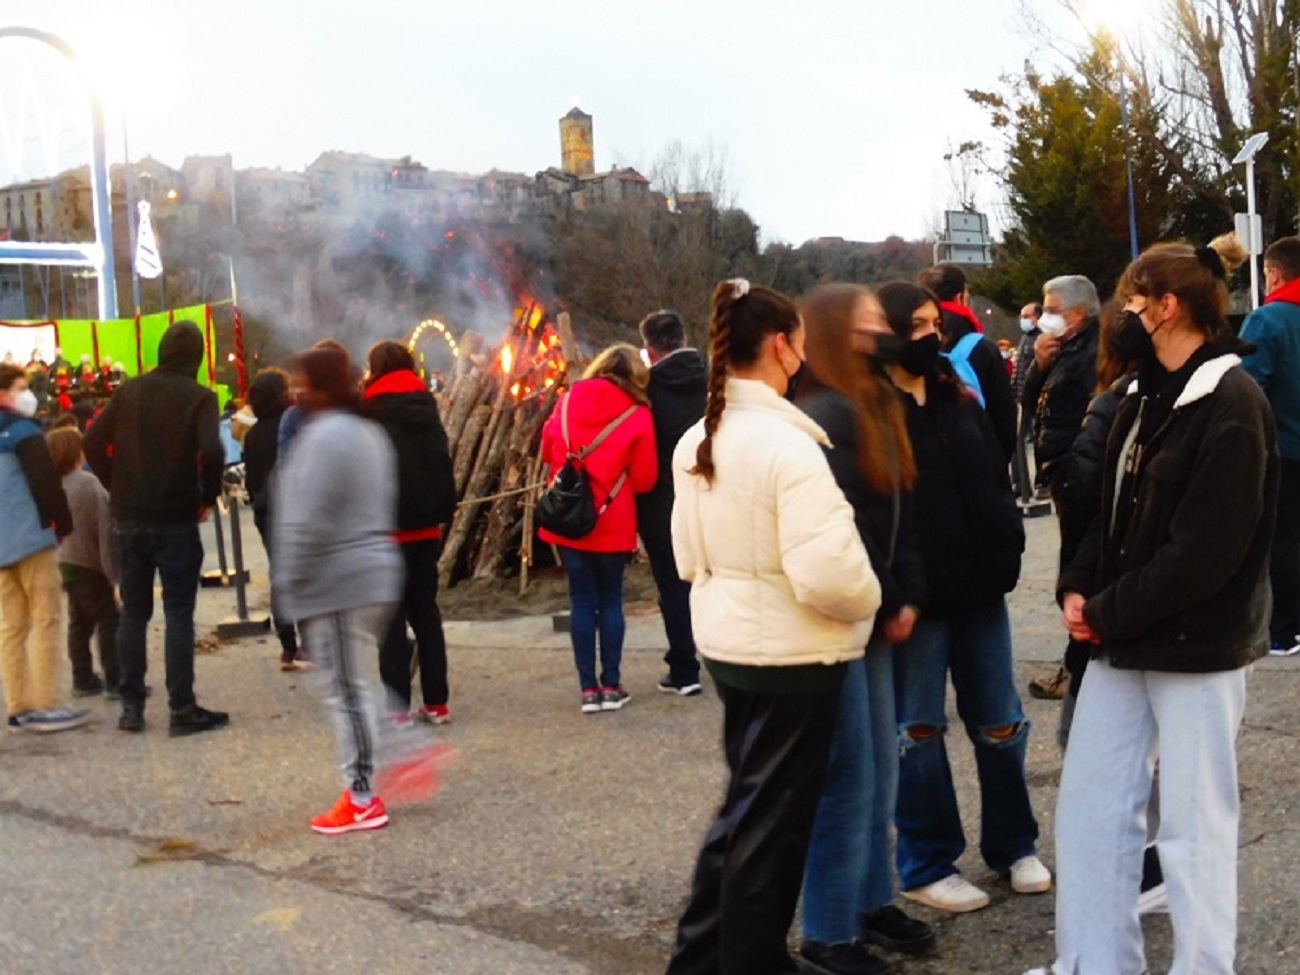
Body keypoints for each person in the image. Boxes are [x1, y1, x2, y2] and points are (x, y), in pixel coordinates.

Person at [1027, 234, 1274, 975]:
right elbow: (1104, 514)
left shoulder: (1233, 402)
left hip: (1198, 645)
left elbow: (1205, 551)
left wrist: (1104, 611)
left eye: (1132, 301)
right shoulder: (1137, 394)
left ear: (1167, 307)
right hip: (1122, 637)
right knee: (1092, 808)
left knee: (1196, 829)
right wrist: (1078, 586)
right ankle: (1093, 961)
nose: (1120, 315)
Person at [666, 279, 881, 975]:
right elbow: (829, 573)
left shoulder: (700, 438)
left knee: (744, 812)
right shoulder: (790, 447)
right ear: (782, 345)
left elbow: (685, 553)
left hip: (730, 646)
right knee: (773, 830)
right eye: (800, 344)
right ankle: (749, 960)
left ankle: (701, 957)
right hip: (793, 657)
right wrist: (870, 598)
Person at [875, 281, 1047, 914]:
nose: (930, 336)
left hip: (979, 590)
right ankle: (926, 863)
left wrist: (1006, 545)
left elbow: (994, 472)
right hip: (915, 603)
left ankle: (1014, 845)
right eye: (916, 325)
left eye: (933, 324)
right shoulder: (869, 411)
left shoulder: (954, 391)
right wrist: (894, 593)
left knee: (1001, 723)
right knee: (918, 732)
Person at [795, 284, 933, 975]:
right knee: (848, 774)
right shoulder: (823, 415)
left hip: (874, 612)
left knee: (880, 763)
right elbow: (841, 528)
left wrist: (907, 594)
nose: (884, 330)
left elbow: (898, 512)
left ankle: (871, 899)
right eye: (869, 322)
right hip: (835, 618)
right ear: (834, 333)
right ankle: (827, 930)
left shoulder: (875, 401)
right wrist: (889, 599)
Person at [273, 346, 404, 835]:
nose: (295, 390)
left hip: (339, 579)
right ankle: (403, 750)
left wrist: (290, 580)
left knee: (346, 690)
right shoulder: (368, 431)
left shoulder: (326, 437)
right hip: (365, 571)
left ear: (319, 386)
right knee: (351, 684)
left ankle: (363, 796)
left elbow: (306, 519)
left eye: (301, 381)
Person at [84, 321, 228, 736]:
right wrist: (206, 495)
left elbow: (92, 441)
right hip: (176, 517)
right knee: (179, 612)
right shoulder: (200, 397)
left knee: (134, 610)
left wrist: (116, 485)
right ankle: (181, 707)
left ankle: (131, 706)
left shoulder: (129, 391)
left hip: (129, 516)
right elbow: (212, 449)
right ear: (197, 358)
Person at [539, 344, 657, 713]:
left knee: (581, 600)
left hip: (570, 518)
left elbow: (547, 449)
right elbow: (645, 479)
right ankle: (611, 684)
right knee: (610, 601)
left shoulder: (567, 401)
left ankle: (587, 689)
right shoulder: (638, 413)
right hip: (613, 518)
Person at [362, 340, 457, 724]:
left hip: (385, 529)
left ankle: (397, 706)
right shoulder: (426, 406)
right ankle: (437, 702)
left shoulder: (369, 411)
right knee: (426, 614)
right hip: (425, 527)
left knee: (391, 620)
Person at [1021, 275, 1102, 701]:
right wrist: (1039, 365)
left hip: (1081, 474)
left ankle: (1078, 667)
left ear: (1080, 313)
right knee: (1075, 565)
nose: (1044, 319)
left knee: (1079, 570)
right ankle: (1080, 664)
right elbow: (1030, 402)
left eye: (1053, 310)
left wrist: (1074, 468)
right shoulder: (1060, 348)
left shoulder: (1096, 350)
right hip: (1064, 473)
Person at [0, 363, 88, 733]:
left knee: (11, 627)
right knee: (47, 618)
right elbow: (46, 482)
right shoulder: (24, 431)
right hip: (30, 539)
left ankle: (19, 705)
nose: (27, 394)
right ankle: (49, 703)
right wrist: (63, 525)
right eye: (20, 387)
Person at [635, 309, 707, 696]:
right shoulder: (712, 378)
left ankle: (684, 667)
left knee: (672, 584)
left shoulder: (646, 390)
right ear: (684, 337)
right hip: (711, 491)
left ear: (649, 349)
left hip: (662, 500)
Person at [1240, 235, 1300, 656]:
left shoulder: (1267, 320)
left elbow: (1246, 388)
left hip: (1284, 449)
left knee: (1281, 538)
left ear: (1274, 274)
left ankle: (1285, 629)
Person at [46, 427, 120, 699]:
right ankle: (116, 679)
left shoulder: (52, 486)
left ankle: (82, 676)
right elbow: (106, 526)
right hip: (89, 562)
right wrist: (113, 571)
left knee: (79, 621)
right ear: (77, 452)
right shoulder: (88, 483)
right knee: (109, 620)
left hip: (63, 561)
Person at [917, 263, 1017, 460]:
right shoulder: (982, 348)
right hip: (979, 457)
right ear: (960, 297)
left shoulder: (910, 343)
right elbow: (1004, 417)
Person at [242, 368, 306, 670]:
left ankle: (287, 645)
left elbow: (251, 479)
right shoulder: (291, 424)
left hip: (265, 510)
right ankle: (309, 640)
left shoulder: (253, 434)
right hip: (293, 507)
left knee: (279, 574)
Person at [1011, 302, 1042, 500]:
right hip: (1021, 398)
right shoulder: (1024, 339)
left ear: (1037, 318)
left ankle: (1041, 481)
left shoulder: (1041, 338)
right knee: (1017, 442)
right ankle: (1020, 484)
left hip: (1036, 397)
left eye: (1026, 316)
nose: (1022, 320)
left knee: (1039, 440)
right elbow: (1018, 369)